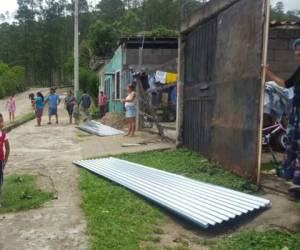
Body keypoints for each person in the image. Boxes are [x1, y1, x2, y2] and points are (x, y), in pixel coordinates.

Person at [264, 38, 300, 171]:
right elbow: (285, 84)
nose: (297, 52)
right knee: (292, 141)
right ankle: (291, 172)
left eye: (299, 49)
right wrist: (267, 72)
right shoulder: (299, 70)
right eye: (296, 49)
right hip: (296, 110)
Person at [0, 113, 10, 206]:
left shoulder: (3, 134)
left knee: (0, 180)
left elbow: (7, 148)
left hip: (0, 161)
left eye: (1, 121)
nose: (1, 123)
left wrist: (5, 161)